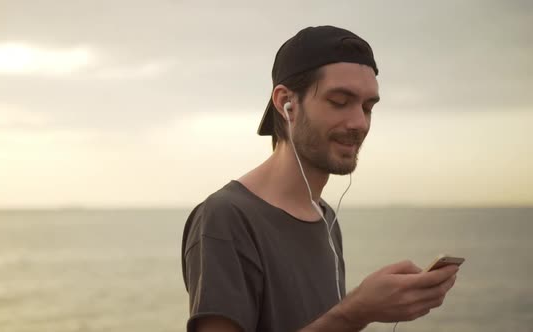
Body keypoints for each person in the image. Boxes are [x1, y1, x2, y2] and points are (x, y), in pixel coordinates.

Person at [181, 26, 459, 332]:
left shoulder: (324, 218)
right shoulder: (226, 217)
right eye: (340, 102)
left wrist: (370, 307)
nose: (359, 122)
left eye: (368, 107)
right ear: (286, 102)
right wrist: (356, 311)